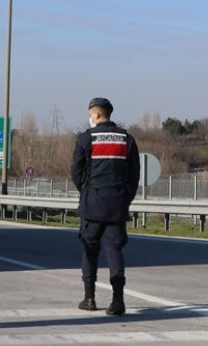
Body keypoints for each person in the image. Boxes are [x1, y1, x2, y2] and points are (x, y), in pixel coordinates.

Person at [71, 97, 140, 316]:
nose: (90, 117)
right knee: (114, 251)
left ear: (97, 115)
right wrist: (124, 198)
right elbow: (134, 175)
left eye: (90, 113)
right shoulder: (127, 139)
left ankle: (89, 298)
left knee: (89, 250)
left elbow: (76, 171)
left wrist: (86, 193)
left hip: (92, 205)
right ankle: (118, 301)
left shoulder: (86, 139)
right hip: (117, 206)